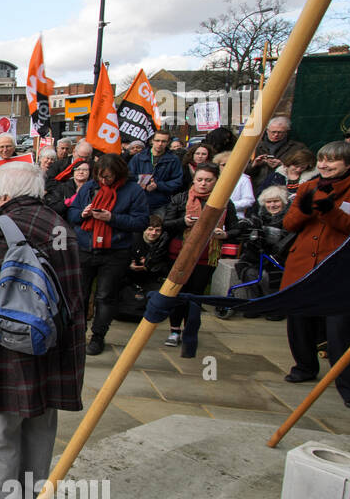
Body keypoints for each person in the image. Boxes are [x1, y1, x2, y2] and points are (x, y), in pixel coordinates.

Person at [0, 160, 85, 499]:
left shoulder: (0, 228)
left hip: (10, 352)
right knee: (39, 433)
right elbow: (74, 295)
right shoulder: (59, 223)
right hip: (55, 349)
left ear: (7, 196)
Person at [280, 140, 350, 408]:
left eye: (332, 160)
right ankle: (304, 367)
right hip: (303, 266)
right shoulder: (308, 186)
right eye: (322, 159)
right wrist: (303, 210)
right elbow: (289, 224)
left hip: (339, 270)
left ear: (349, 163)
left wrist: (331, 212)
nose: (324, 165)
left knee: (340, 332)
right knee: (299, 323)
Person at [67, 154, 150, 355]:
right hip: (85, 248)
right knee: (80, 295)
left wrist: (112, 218)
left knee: (106, 296)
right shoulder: (88, 188)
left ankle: (98, 336)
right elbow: (71, 214)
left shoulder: (133, 191)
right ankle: (77, 335)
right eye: (101, 176)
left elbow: (141, 222)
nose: (104, 181)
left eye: (108, 177)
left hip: (115, 251)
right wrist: (83, 213)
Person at [161, 164, 240, 357]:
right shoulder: (181, 199)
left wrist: (224, 234)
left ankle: (190, 331)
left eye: (208, 180)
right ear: (194, 180)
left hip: (206, 257)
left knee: (195, 296)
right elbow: (166, 224)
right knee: (177, 293)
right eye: (200, 180)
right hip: (180, 253)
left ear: (215, 182)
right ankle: (174, 330)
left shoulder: (224, 202)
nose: (203, 184)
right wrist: (184, 222)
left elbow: (236, 229)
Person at [128, 129, 184, 213]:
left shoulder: (173, 159)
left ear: (168, 142)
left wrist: (158, 185)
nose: (160, 144)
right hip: (139, 202)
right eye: (157, 140)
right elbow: (129, 176)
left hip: (161, 204)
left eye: (163, 141)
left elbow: (177, 181)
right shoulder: (138, 157)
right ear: (152, 141)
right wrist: (141, 183)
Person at [248, 116, 308, 192]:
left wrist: (283, 166)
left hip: (284, 188)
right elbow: (240, 171)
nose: (276, 135)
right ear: (267, 130)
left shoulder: (297, 148)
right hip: (256, 187)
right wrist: (254, 164)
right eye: (273, 132)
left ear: (286, 132)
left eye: (280, 132)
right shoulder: (254, 146)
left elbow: (306, 168)